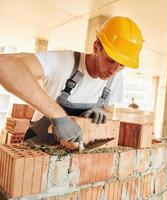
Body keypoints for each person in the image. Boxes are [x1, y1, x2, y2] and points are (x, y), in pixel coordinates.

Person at [0, 16, 143, 150]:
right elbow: (4, 65)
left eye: (122, 65)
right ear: (95, 47)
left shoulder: (115, 79)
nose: (114, 70)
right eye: (110, 60)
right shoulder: (64, 62)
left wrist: (102, 113)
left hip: (72, 156)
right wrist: (58, 115)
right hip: (38, 147)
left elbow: (109, 112)